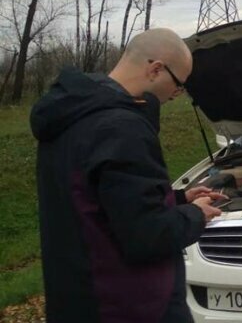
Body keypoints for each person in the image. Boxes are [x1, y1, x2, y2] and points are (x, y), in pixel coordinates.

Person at [30, 28, 225, 323]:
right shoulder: (122, 128)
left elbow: (100, 201)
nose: (177, 94)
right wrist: (195, 215)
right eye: (178, 84)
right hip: (130, 306)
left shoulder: (71, 116)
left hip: (77, 298)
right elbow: (148, 236)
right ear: (156, 69)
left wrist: (178, 198)